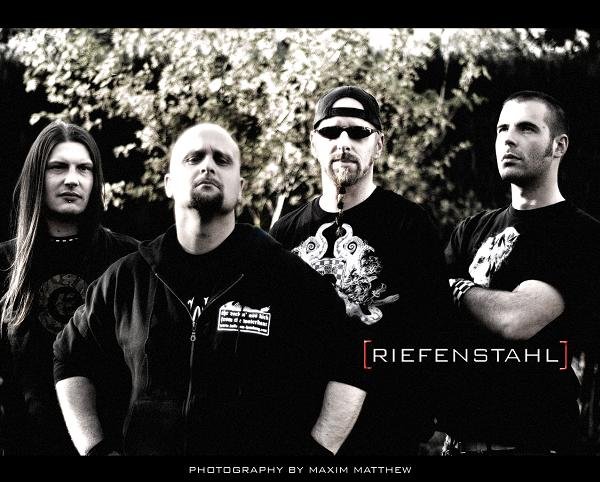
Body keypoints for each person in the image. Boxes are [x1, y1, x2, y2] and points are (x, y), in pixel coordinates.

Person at [53, 122, 366, 456]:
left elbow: (354, 357)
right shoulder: (127, 279)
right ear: (169, 184)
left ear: (240, 187)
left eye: (222, 160)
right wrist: (96, 449)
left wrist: (317, 454)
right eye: (193, 158)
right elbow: (69, 356)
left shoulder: (286, 277)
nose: (207, 166)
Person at [270, 85, 452, 455]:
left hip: (384, 439)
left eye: (358, 132)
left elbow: (434, 333)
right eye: (330, 132)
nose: (343, 142)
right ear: (314, 142)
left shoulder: (409, 225)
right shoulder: (283, 233)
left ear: (379, 144)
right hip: (297, 436)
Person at [441, 91, 600, 455]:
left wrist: (454, 289)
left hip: (529, 445)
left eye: (526, 128)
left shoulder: (580, 234)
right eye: (502, 129)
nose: (508, 139)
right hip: (456, 444)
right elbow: (424, 312)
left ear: (558, 146)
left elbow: (516, 319)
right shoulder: (471, 229)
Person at [0, 120, 139, 455]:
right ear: (37, 177)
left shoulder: (130, 260)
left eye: (84, 168)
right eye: (58, 167)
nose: (72, 179)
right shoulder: (5, 263)